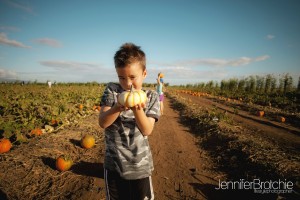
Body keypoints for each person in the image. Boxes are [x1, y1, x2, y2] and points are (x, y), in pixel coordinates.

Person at [99, 43, 160, 200]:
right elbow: (103, 122)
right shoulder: (112, 90)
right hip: (114, 164)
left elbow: (147, 130)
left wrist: (137, 109)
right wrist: (117, 108)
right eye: (122, 77)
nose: (127, 84)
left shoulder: (151, 97)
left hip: (140, 166)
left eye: (133, 77)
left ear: (144, 73)